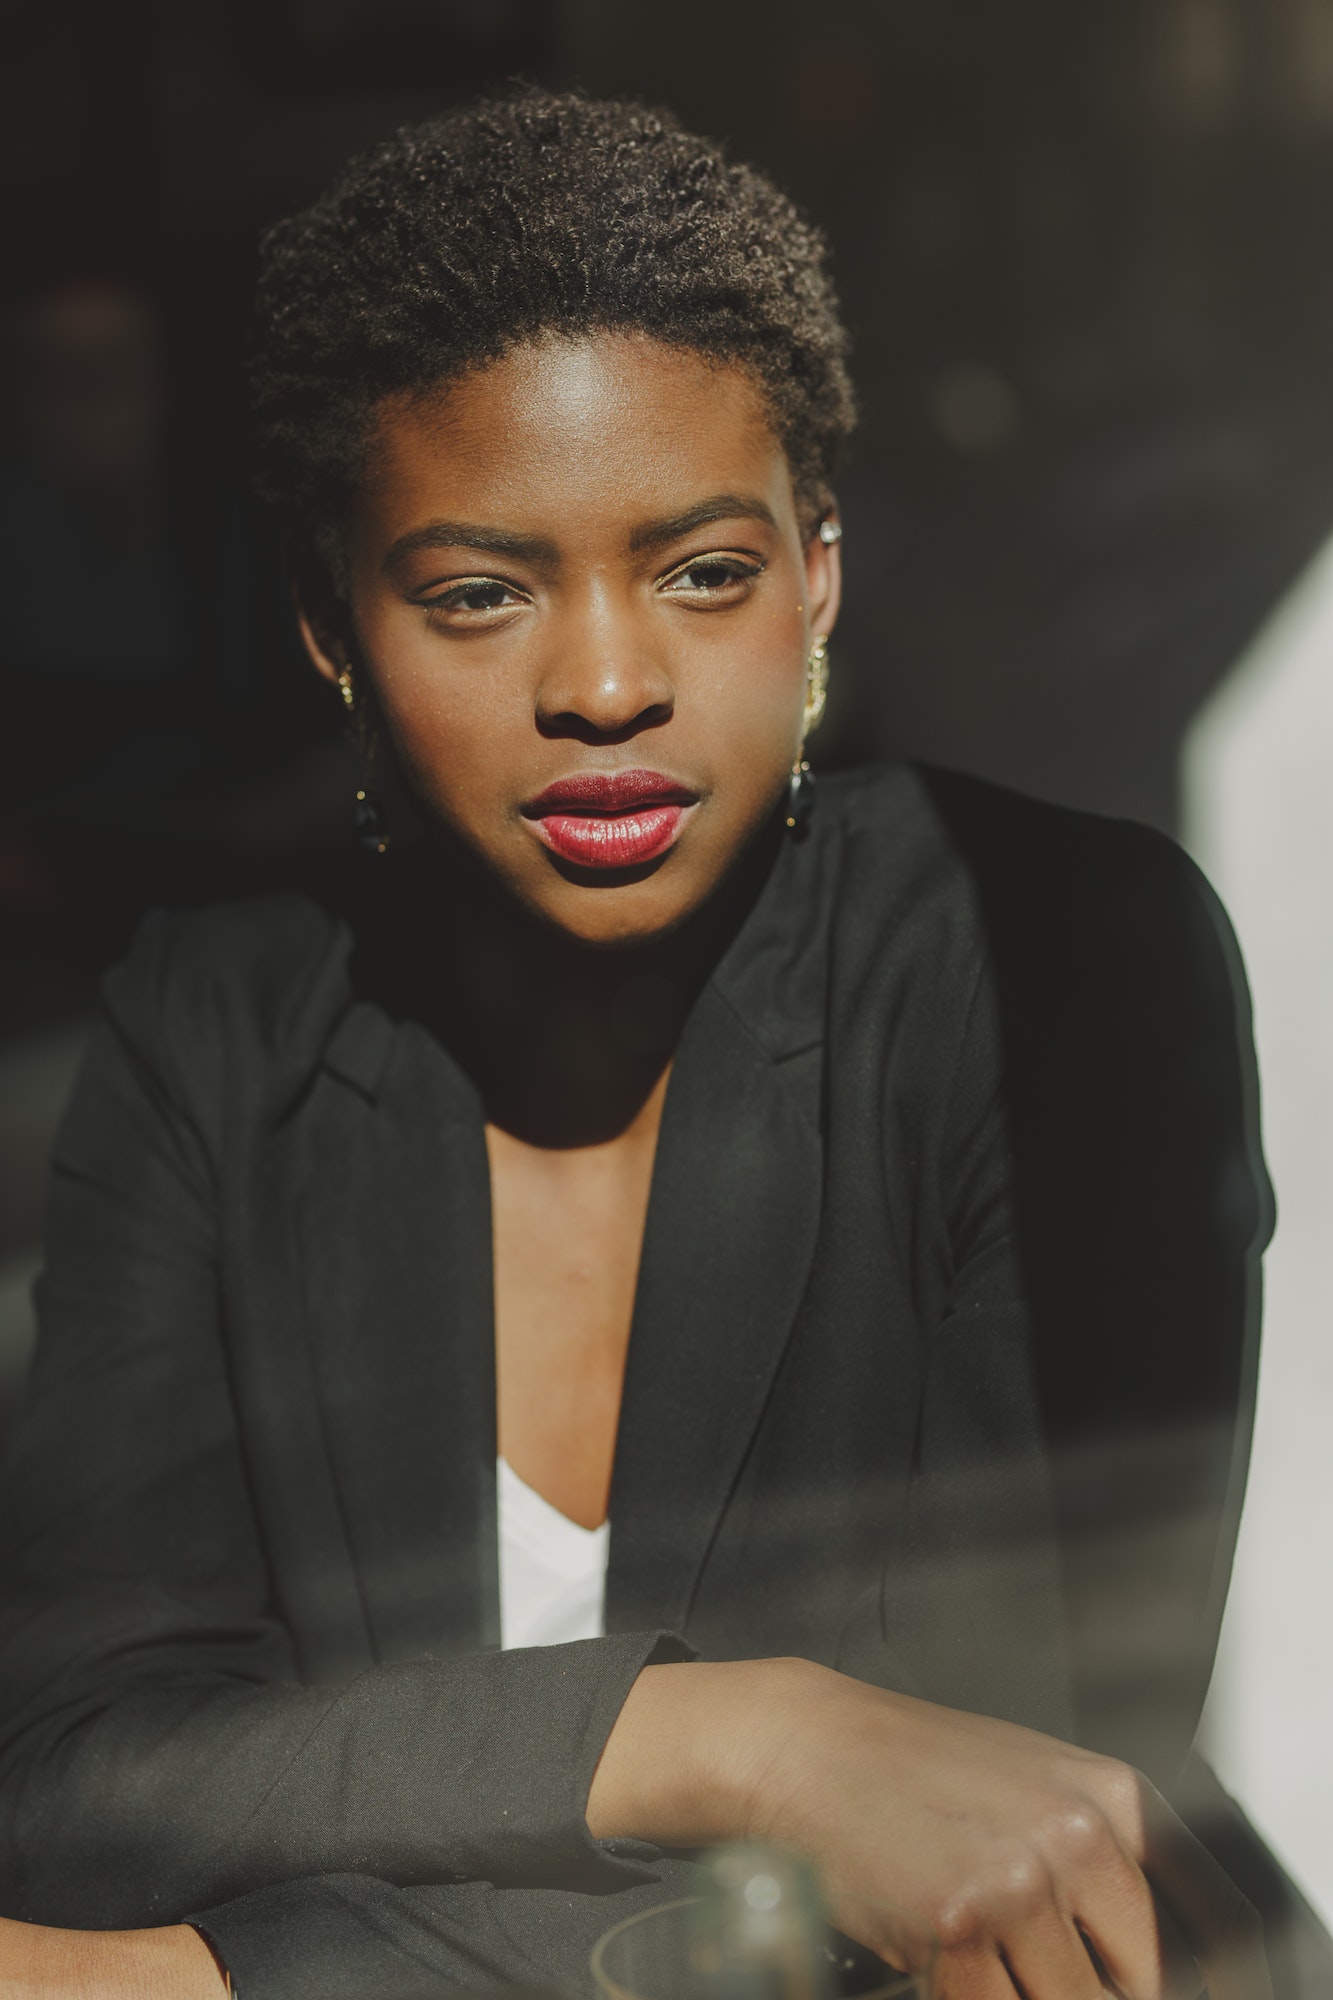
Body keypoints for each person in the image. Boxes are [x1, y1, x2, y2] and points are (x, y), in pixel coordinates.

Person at [0, 89, 1298, 2000]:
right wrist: (729, 1737)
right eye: (476, 594)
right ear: (329, 629)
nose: (606, 680)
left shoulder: (1051, 960)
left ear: (819, 575)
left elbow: (1001, 1837)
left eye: (703, 569)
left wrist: (187, 1981)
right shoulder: (219, 1036)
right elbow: (85, 1777)